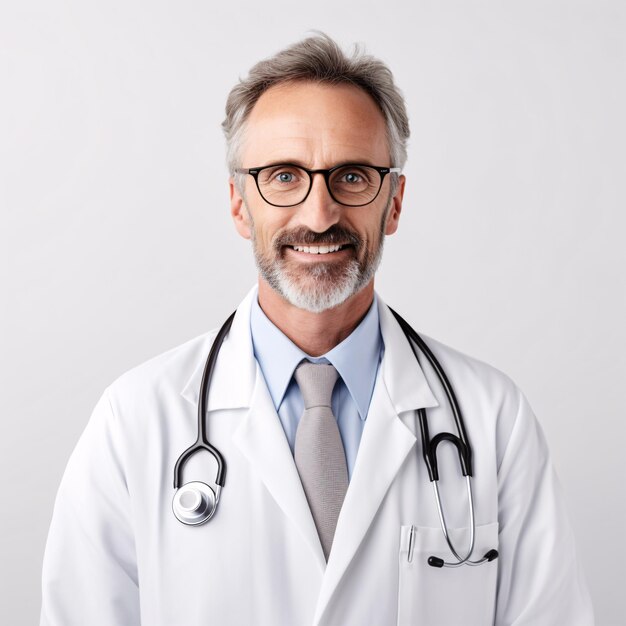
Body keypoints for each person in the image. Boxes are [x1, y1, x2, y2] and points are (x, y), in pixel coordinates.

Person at [40, 34, 594, 625]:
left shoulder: (491, 419)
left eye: (352, 176)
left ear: (395, 202)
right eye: (284, 176)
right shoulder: (134, 422)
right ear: (238, 203)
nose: (319, 213)